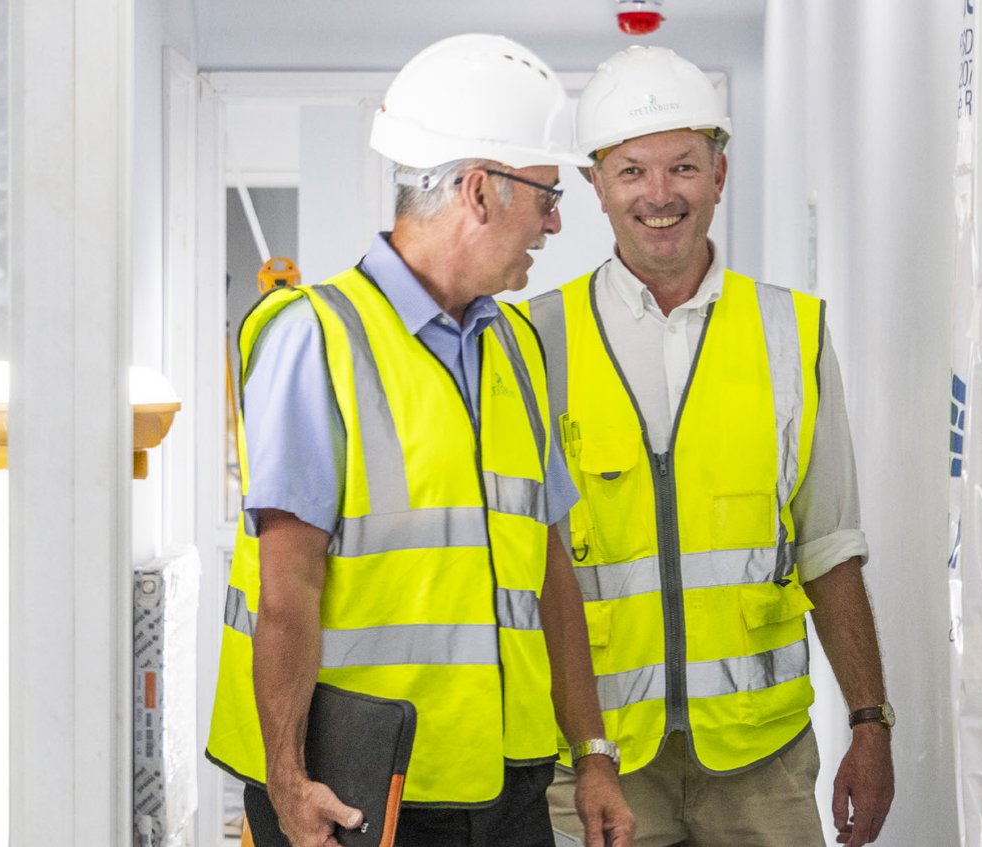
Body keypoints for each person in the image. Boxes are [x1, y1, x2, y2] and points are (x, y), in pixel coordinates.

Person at [205, 34, 637, 847]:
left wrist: (594, 756)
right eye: (545, 195)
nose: (551, 222)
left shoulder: (514, 345)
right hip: (364, 788)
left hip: (506, 782)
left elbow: (549, 568)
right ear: (478, 190)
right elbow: (285, 585)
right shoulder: (317, 337)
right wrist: (287, 780)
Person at [521, 46, 895, 847]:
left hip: (762, 760)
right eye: (631, 172)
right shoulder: (533, 338)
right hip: (595, 760)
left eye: (683, 166)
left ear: (719, 176)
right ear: (595, 186)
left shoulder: (791, 332)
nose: (660, 196)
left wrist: (869, 720)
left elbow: (830, 543)